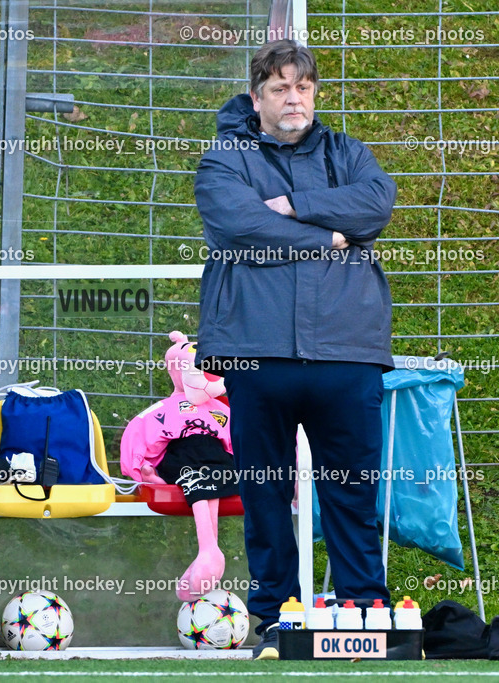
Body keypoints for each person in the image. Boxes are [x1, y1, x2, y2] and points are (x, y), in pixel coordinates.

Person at [193, 39, 397, 660]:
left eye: (303, 87)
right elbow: (238, 224)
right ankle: (276, 622)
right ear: (256, 98)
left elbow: (378, 202)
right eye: (279, 88)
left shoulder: (347, 151)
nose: (294, 99)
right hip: (257, 352)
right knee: (266, 494)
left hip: (348, 351)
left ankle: (365, 613)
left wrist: (301, 205)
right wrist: (331, 233)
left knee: (353, 489)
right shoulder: (224, 158)